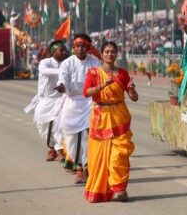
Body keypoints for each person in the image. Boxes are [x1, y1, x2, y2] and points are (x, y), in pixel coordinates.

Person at [83, 41, 138, 203]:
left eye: (113, 52)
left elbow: (134, 98)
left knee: (119, 155)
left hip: (119, 116)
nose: (110, 54)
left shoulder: (122, 73)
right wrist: (102, 85)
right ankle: (100, 190)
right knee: (99, 158)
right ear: (102, 54)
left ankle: (120, 189)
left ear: (116, 54)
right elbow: (86, 92)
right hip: (100, 116)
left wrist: (132, 90)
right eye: (106, 51)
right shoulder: (94, 73)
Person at [55, 34, 101, 183]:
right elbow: (63, 79)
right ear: (73, 48)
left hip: (89, 102)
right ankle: (79, 164)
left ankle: (84, 169)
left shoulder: (95, 62)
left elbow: (101, 79)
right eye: (77, 46)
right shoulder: (67, 63)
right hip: (72, 103)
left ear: (88, 48)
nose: (80, 49)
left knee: (88, 138)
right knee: (71, 139)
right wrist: (62, 87)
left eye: (83, 46)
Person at [23, 40, 68, 161]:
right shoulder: (45, 62)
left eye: (65, 50)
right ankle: (52, 147)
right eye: (61, 50)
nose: (64, 52)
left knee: (58, 125)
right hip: (45, 100)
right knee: (42, 126)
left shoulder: (66, 63)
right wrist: (63, 71)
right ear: (53, 51)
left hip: (60, 99)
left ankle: (60, 150)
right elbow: (45, 71)